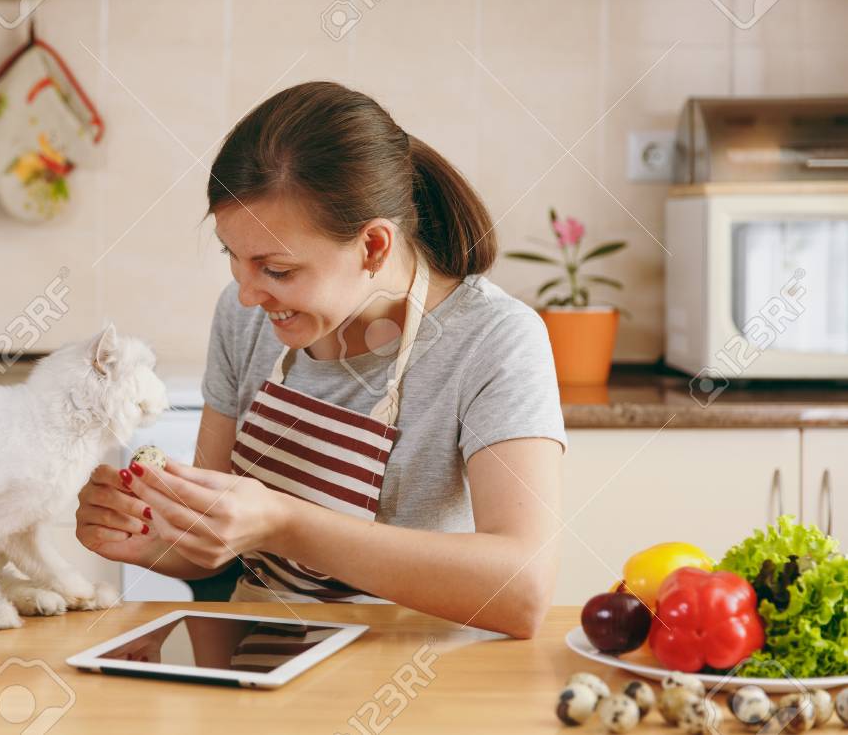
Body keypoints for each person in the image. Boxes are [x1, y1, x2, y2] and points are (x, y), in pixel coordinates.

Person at [75, 82, 566, 639]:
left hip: (408, 675)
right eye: (232, 258)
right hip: (255, 658)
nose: (247, 294)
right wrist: (149, 534)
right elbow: (207, 548)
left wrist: (283, 524)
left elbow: (521, 591)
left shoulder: (492, 340)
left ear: (373, 247)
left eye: (277, 270)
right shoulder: (246, 320)